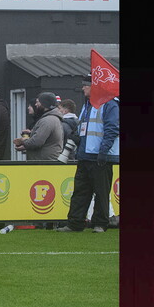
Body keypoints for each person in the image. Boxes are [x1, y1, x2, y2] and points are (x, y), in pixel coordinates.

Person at [57, 74, 119, 233]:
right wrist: (77, 138)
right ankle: (75, 223)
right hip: (85, 155)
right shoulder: (88, 104)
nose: (83, 87)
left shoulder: (109, 104)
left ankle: (100, 223)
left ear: (95, 86)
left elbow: (112, 129)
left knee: (101, 193)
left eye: (86, 85)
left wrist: (103, 151)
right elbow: (84, 128)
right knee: (80, 191)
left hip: (99, 156)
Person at [13, 92, 63, 161]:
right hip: (45, 161)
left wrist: (23, 140)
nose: (35, 104)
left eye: (37, 102)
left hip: (45, 163)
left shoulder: (47, 120)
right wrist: (31, 134)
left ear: (44, 104)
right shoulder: (51, 119)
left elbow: (36, 142)